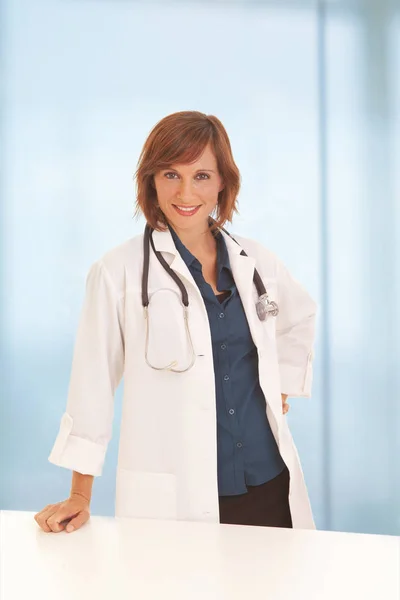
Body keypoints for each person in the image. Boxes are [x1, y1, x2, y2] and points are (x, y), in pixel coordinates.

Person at [34, 111, 317, 534]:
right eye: (171, 174)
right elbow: (91, 385)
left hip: (268, 488)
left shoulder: (256, 262)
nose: (186, 191)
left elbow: (299, 318)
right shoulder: (118, 272)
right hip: (177, 499)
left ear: (223, 182)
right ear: (151, 180)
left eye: (202, 176)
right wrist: (80, 493)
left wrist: (282, 384)